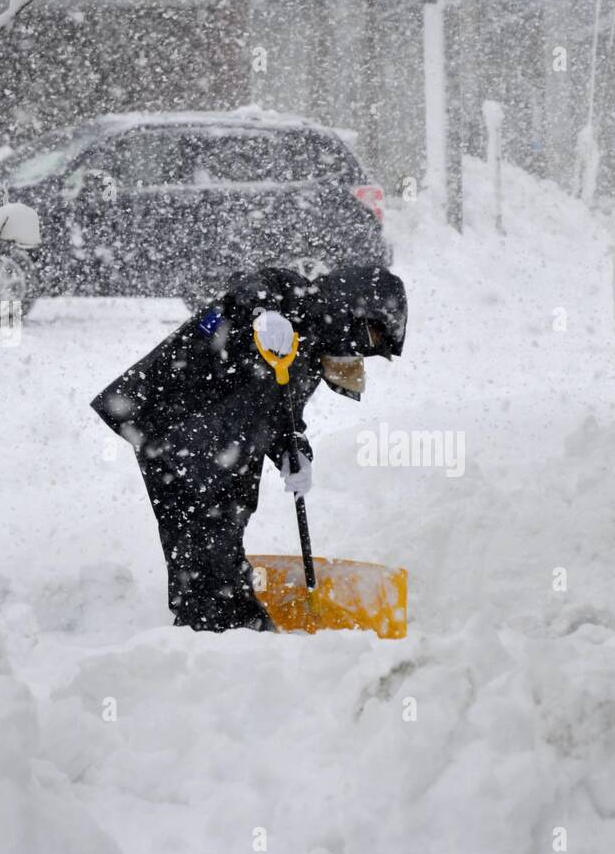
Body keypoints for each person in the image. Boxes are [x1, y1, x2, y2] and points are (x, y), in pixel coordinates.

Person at [91, 265, 407, 632]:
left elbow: (283, 414)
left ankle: (213, 625)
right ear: (353, 307)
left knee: (217, 529)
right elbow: (249, 284)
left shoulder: (309, 357)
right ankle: (228, 626)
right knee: (208, 532)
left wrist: (294, 450)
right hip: (177, 421)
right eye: (370, 334)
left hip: (219, 438)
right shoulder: (290, 293)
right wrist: (263, 313)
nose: (363, 348)